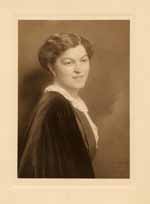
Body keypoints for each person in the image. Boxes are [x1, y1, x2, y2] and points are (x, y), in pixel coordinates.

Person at [18, 33, 99, 178]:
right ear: (51, 67)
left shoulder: (70, 103)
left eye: (83, 60)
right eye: (69, 62)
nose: (79, 69)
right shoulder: (54, 106)